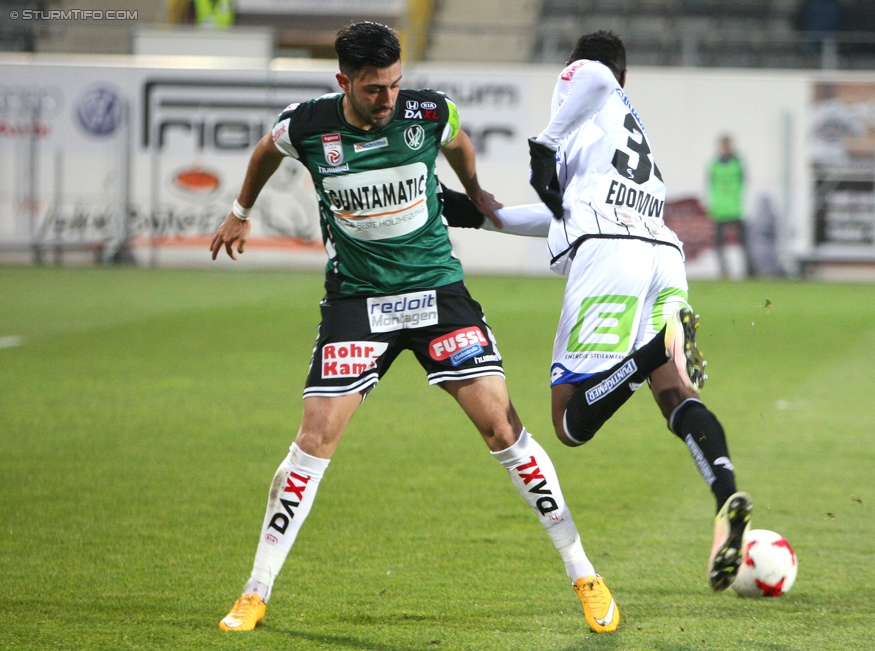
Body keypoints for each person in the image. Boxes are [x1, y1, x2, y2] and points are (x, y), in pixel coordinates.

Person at [209, 22, 618, 634]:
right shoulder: (309, 125)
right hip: (357, 301)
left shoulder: (427, 113)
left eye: (395, 84)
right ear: (343, 81)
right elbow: (267, 149)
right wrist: (240, 212)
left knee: (503, 429)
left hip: (437, 294)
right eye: (374, 89)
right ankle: (255, 590)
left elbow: (457, 137)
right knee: (313, 440)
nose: (389, 99)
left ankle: (584, 573)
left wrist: (474, 190)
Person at [443, 30, 753, 594]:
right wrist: (474, 212)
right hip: (663, 252)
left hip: (611, 255)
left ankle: (656, 348)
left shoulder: (586, 84)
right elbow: (560, 214)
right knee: (676, 396)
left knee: (568, 422)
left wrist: (543, 142)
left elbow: (595, 73)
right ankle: (724, 492)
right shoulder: (620, 137)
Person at [708, 135, 752, 279]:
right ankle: (724, 271)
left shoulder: (737, 163)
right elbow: (710, 185)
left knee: (744, 242)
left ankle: (749, 271)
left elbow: (743, 183)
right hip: (720, 209)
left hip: (735, 208)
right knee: (719, 244)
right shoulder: (714, 164)